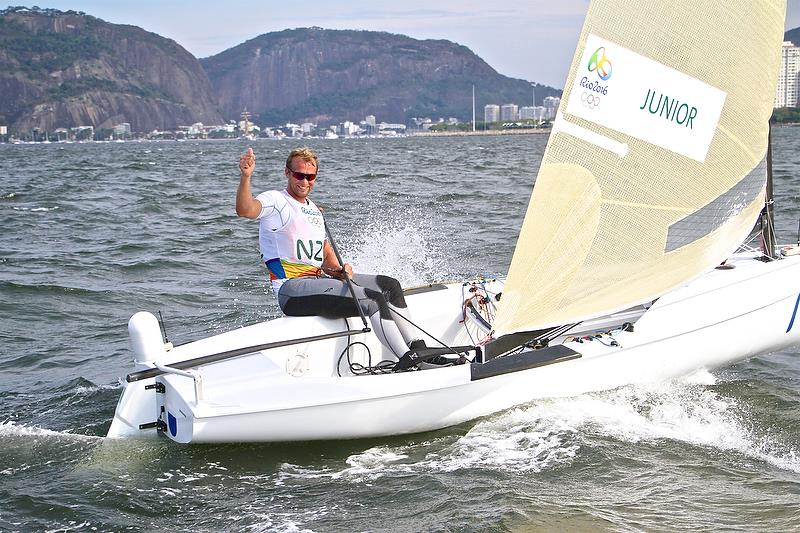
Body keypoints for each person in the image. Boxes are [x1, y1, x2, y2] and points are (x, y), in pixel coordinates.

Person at [235, 146, 424, 358]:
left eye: (310, 177)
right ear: (287, 172)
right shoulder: (276, 201)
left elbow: (324, 250)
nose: (304, 182)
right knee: (372, 299)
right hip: (291, 289)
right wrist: (246, 177)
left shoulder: (314, 209)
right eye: (299, 175)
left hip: (317, 280)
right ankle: (407, 358)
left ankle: (420, 348)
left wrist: (339, 270)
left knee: (389, 286)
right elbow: (245, 210)